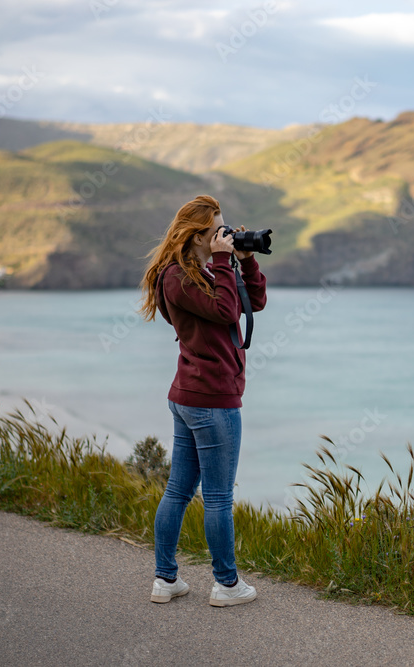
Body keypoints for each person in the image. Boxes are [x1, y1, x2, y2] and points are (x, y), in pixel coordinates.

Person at [138, 194, 266, 607]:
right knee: (216, 496)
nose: (222, 237)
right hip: (211, 399)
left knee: (179, 490)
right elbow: (228, 310)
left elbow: (254, 303)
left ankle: (166, 579)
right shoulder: (178, 277)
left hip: (193, 396)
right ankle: (227, 585)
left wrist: (244, 260)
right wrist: (224, 262)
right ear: (197, 237)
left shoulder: (198, 271)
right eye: (216, 233)